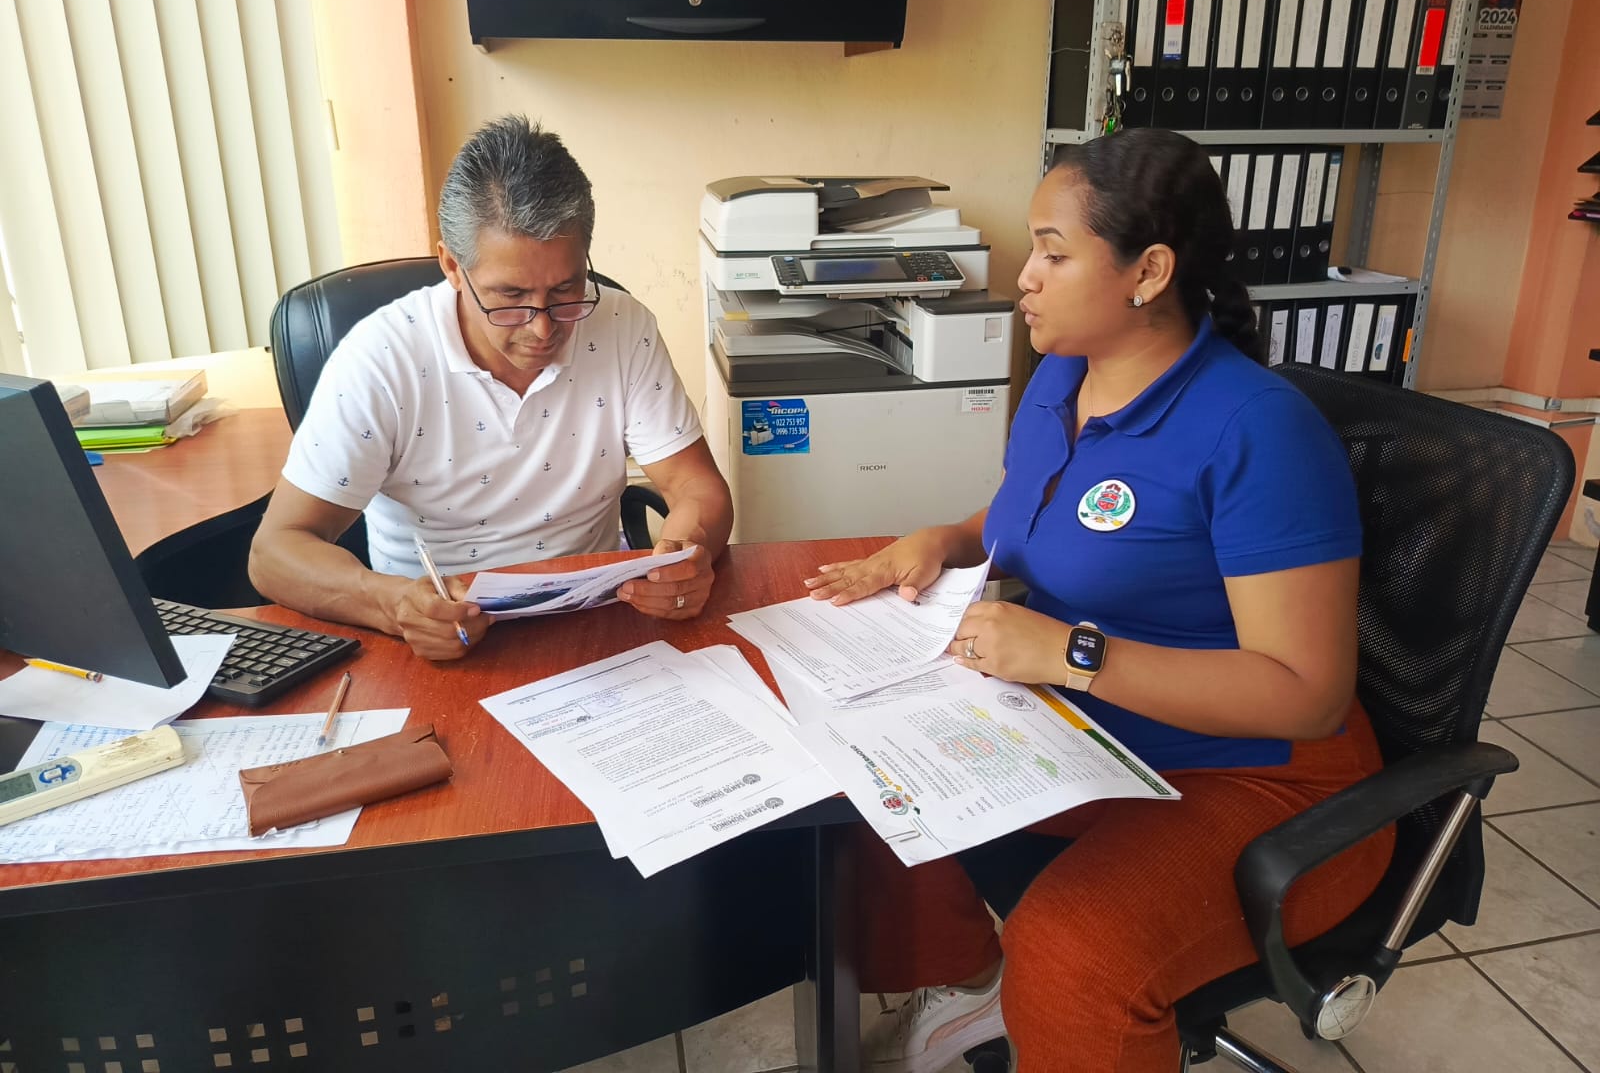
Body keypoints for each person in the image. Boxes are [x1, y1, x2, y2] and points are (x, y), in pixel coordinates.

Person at [804, 128, 1393, 1073]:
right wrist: (947, 540)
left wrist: (1070, 653)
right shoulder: (1064, 375)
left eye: (1053, 251)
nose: (1025, 276)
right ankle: (971, 985)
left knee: (1073, 958)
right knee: (858, 787)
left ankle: (1045, 1001)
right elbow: (1035, 513)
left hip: (1259, 777)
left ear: (1147, 272)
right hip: (1090, 731)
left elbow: (1308, 695)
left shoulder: (1258, 432)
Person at [250, 115, 733, 659]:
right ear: (452, 266)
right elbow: (276, 552)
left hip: (594, 621)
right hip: (436, 640)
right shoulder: (382, 358)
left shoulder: (622, 326)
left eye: (566, 289)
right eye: (510, 296)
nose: (543, 328)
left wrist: (686, 556)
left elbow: (697, 488)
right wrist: (393, 605)